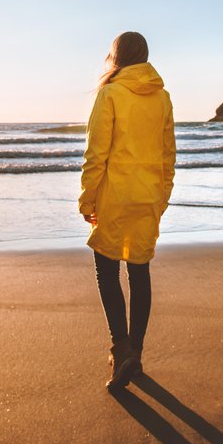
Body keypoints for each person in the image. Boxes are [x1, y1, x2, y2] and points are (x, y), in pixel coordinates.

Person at [79, 31, 176, 391]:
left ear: (115, 56)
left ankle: (122, 351)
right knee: (139, 272)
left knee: (107, 270)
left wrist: (86, 199)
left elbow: (96, 154)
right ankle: (135, 352)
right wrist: (162, 196)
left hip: (116, 197)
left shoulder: (111, 93)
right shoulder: (162, 97)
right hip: (148, 196)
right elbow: (169, 154)